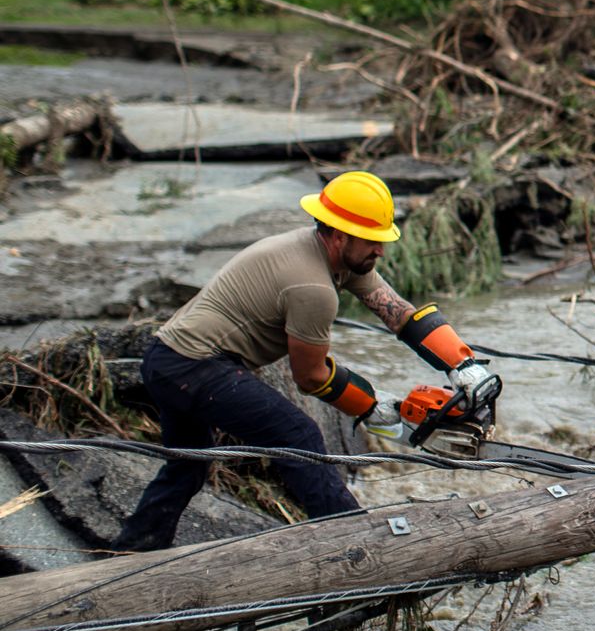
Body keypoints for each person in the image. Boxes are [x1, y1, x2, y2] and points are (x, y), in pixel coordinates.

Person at [109, 171, 495, 553]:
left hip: (167, 359)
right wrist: (374, 406)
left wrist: (462, 364)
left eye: (382, 241)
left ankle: (134, 549)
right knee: (299, 438)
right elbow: (309, 376)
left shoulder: (331, 254)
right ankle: (356, 549)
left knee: (188, 464)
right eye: (372, 242)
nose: (380, 251)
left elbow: (396, 312)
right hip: (194, 367)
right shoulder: (312, 287)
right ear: (340, 235)